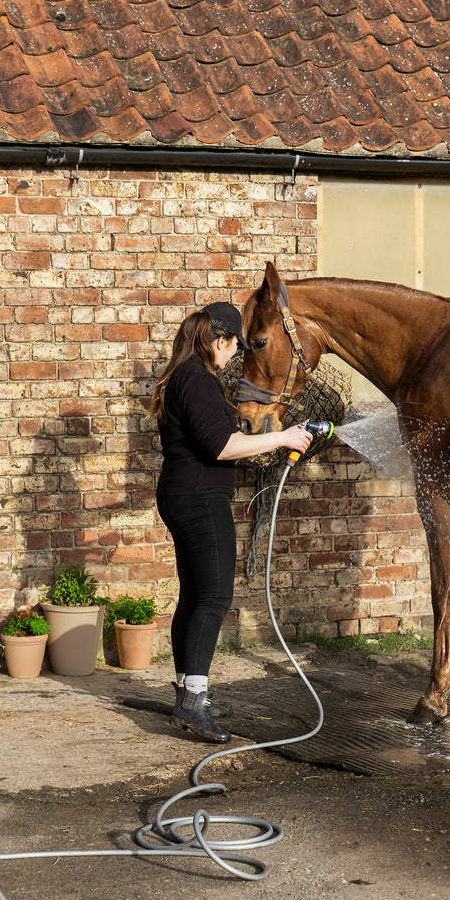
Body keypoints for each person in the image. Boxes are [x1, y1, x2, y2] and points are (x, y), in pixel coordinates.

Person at [149, 301, 313, 742]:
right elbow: (221, 446)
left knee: (196, 594)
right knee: (215, 598)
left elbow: (221, 439)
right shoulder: (198, 379)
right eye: (234, 347)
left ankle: (187, 692)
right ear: (218, 339)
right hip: (200, 499)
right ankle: (193, 702)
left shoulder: (182, 376)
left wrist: (279, 436)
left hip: (185, 494)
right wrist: (282, 438)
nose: (233, 356)